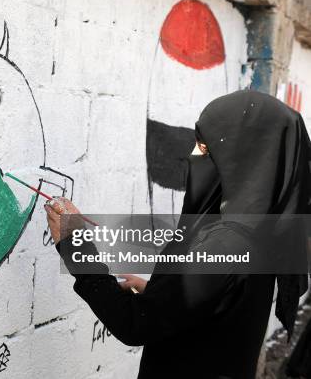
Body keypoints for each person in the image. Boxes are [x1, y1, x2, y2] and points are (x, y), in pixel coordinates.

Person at [46, 90, 311, 379]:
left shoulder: (225, 244)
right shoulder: (259, 230)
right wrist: (163, 296)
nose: (194, 155)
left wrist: (75, 247)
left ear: (242, 161)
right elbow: (218, 306)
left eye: (206, 147)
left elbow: (135, 324)